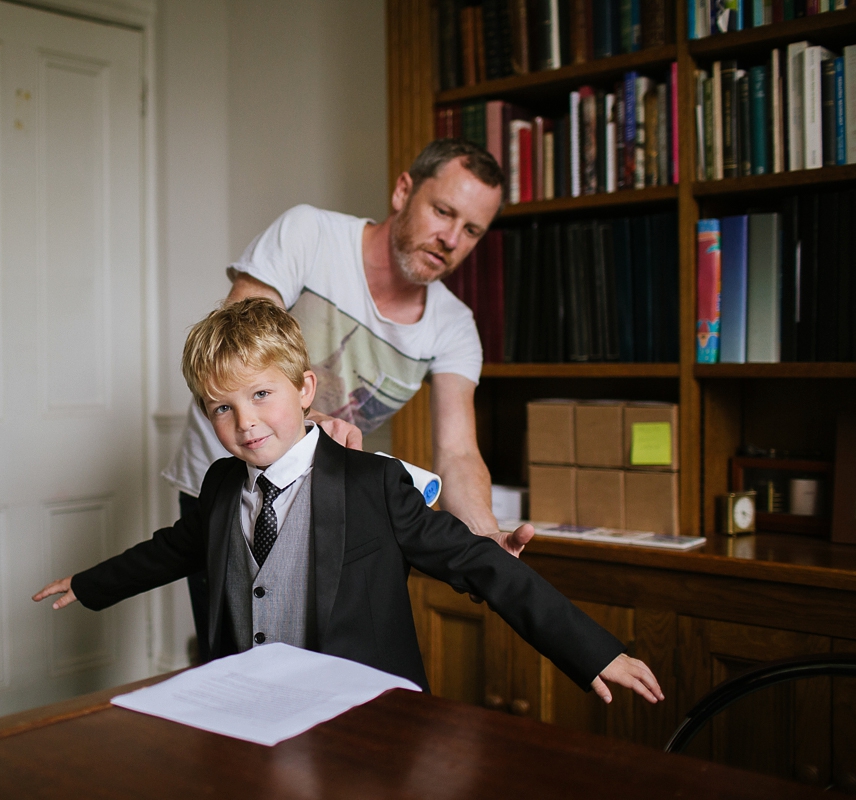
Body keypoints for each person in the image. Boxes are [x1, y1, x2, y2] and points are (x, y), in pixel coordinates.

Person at [34, 298, 664, 703]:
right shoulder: (221, 484)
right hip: (249, 707)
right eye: (221, 408)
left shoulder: (373, 484)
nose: (245, 423)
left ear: (305, 388)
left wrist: (593, 649)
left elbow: (484, 564)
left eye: (260, 395)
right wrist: (90, 584)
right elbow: (172, 549)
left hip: (361, 710)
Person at [163, 139, 529, 653]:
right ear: (404, 190)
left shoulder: (455, 327)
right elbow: (236, 350)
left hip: (319, 497)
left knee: (315, 664)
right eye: (442, 211)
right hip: (230, 479)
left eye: (471, 230)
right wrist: (307, 421)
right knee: (234, 658)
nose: (451, 238)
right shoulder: (309, 234)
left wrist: (484, 537)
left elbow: (458, 451)